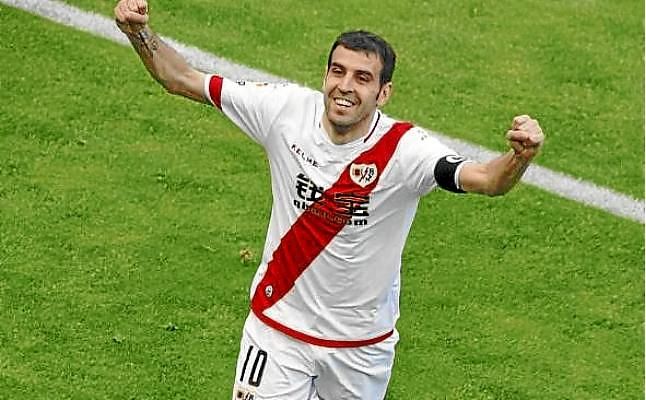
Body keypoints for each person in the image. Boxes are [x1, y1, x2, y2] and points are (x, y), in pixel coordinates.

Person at [114, 1, 545, 398]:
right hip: (277, 328)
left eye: (362, 78)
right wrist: (138, 32)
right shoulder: (284, 110)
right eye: (338, 71)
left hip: (360, 348)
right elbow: (181, 79)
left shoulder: (406, 151)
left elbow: (487, 180)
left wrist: (519, 157)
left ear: (384, 93)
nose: (345, 86)